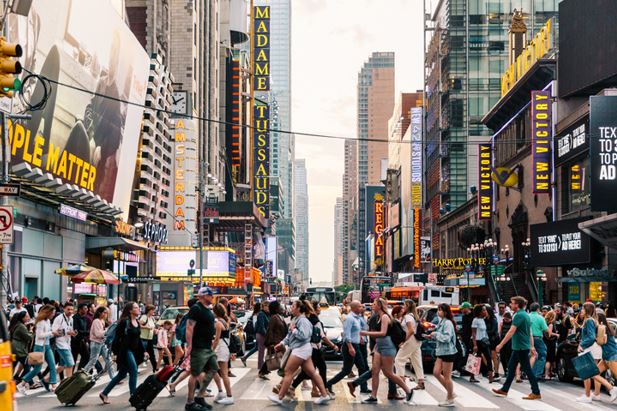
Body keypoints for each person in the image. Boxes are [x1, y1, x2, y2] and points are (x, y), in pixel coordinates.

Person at [267, 300, 331, 405]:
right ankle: (324, 395)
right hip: (302, 349)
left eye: (293, 306)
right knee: (312, 372)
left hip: (300, 349)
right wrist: (282, 343)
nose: (291, 308)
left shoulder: (303, 321)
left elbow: (304, 336)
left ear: (299, 309)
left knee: (288, 372)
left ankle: (280, 397)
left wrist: (294, 330)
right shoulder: (296, 319)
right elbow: (289, 336)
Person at [358, 298, 413, 405]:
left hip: (387, 347)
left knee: (388, 372)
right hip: (379, 346)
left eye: (374, 304)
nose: (372, 306)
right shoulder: (378, 317)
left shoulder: (384, 317)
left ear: (379, 305)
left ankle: (408, 391)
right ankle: (373, 396)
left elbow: (383, 333)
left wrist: (366, 333)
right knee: (375, 371)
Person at [492, 296, 541, 400]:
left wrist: (500, 345)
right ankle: (504, 390)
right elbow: (530, 332)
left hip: (520, 347)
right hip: (520, 346)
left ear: (517, 305)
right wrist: (531, 346)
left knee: (527, 369)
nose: (510, 305)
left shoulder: (519, 316)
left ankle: (536, 392)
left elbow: (511, 331)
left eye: (512, 303)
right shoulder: (525, 315)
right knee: (511, 367)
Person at [99, 301, 145, 404]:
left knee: (122, 374)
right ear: (130, 310)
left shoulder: (136, 322)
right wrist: (115, 353)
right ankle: (133, 396)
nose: (139, 309)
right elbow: (116, 339)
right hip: (125, 351)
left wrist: (144, 352)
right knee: (133, 370)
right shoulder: (124, 322)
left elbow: (138, 338)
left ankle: (104, 393)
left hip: (134, 351)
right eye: (136, 307)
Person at [291, 300, 339, 398]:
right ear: (313, 308)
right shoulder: (315, 320)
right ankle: (324, 391)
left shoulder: (304, 319)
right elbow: (323, 336)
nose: (319, 309)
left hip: (307, 347)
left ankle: (293, 387)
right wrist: (333, 346)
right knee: (317, 369)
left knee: (309, 371)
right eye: (318, 307)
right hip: (315, 348)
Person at [185, 287, 218, 411]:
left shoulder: (207, 309)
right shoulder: (196, 308)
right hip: (198, 347)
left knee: (214, 368)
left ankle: (199, 396)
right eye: (211, 295)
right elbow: (189, 328)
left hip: (206, 347)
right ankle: (190, 403)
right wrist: (189, 346)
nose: (212, 297)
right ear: (204, 296)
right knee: (195, 374)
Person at [575, 303, 617, 403]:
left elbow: (595, 339)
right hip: (606, 357)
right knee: (594, 373)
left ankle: (612, 389)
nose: (595, 319)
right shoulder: (602, 328)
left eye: (596, 317)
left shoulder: (602, 329)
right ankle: (597, 394)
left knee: (592, 373)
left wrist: (582, 345)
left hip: (611, 357)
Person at [327, 300, 369, 396]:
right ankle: (329, 383)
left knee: (362, 367)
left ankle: (363, 387)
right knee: (346, 370)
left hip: (356, 345)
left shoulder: (357, 318)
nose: (361, 307)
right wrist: (350, 347)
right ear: (354, 308)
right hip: (350, 346)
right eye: (359, 306)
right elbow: (346, 334)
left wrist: (360, 339)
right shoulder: (349, 318)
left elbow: (356, 332)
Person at [17, 305, 60, 393]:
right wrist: (51, 333)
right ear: (47, 313)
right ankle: (22, 383)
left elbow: (47, 334)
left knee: (52, 366)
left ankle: (53, 385)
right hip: (39, 347)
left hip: (47, 346)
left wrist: (54, 334)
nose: (53, 315)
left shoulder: (48, 321)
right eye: (52, 313)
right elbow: (40, 335)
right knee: (37, 369)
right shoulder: (40, 322)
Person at [427, 303, 458, 407]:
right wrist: (433, 336)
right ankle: (451, 392)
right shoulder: (442, 322)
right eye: (438, 310)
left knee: (447, 377)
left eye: (440, 310)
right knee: (436, 372)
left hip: (448, 352)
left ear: (445, 312)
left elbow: (447, 338)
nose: (438, 312)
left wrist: (436, 334)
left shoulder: (448, 323)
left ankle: (450, 399)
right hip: (441, 351)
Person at [395, 299, 425, 390]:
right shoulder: (414, 316)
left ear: (407, 306)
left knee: (399, 360)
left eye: (404, 305)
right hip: (416, 341)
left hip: (410, 340)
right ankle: (421, 381)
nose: (403, 307)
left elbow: (411, 331)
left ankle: (400, 380)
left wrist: (403, 341)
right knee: (416, 361)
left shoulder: (408, 317)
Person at [211, 303, 235, 405]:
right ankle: (221, 392)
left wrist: (211, 350)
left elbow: (216, 339)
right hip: (223, 349)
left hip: (220, 349)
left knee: (224, 374)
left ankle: (229, 396)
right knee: (213, 370)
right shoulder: (225, 321)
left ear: (215, 312)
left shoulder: (218, 323)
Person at [258, 300, 287, 379]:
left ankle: (262, 372)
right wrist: (270, 343)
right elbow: (270, 330)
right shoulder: (274, 318)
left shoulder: (279, 316)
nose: (281, 307)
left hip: (280, 341)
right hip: (275, 342)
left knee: (272, 357)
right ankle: (286, 375)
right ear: (276, 308)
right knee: (283, 358)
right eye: (279, 305)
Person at [84, 306, 115, 379]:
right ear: (99, 313)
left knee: (108, 360)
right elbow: (98, 334)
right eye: (104, 312)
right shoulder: (96, 321)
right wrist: (108, 330)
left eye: (107, 313)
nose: (106, 314)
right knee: (93, 361)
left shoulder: (102, 321)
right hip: (96, 343)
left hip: (101, 343)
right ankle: (83, 375)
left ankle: (113, 378)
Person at [52, 302, 77, 381]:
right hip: (60, 344)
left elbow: (69, 330)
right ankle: (69, 384)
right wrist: (67, 332)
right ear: (64, 309)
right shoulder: (59, 318)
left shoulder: (71, 319)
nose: (70, 311)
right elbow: (54, 331)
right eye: (68, 309)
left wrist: (73, 333)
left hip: (67, 343)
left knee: (63, 366)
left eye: (72, 309)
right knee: (70, 364)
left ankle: (45, 380)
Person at [470, 304, 494, 383]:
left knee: (488, 358)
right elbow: (473, 333)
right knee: (475, 359)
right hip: (477, 341)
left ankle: (491, 376)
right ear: (479, 312)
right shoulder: (475, 320)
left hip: (484, 341)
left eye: (485, 310)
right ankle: (472, 376)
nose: (485, 311)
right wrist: (475, 345)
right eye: (483, 310)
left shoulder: (483, 319)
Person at [10, 311, 32, 382]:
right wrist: (31, 331)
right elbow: (29, 338)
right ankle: (19, 380)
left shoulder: (18, 324)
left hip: (15, 348)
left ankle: (12, 380)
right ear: (22, 318)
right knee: (27, 366)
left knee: (13, 365)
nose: (28, 317)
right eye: (26, 316)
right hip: (19, 349)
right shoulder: (21, 326)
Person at [528, 303, 548, 379]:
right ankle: (537, 374)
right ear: (538, 309)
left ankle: (528, 373)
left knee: (531, 356)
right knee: (542, 355)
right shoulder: (540, 318)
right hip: (537, 338)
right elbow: (545, 329)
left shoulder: (527, 316)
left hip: (527, 339)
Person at [239, 302, 263, 366]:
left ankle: (244, 357)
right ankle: (261, 363)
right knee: (258, 348)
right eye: (261, 306)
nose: (262, 307)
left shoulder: (258, 314)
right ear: (259, 307)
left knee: (257, 347)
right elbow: (255, 325)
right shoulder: (256, 315)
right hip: (257, 333)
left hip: (257, 333)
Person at [139, 304, 158, 372]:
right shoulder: (144, 317)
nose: (153, 311)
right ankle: (133, 368)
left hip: (150, 339)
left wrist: (155, 330)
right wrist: (146, 327)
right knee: (141, 354)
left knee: (152, 354)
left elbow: (153, 327)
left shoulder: (152, 318)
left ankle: (155, 368)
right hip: (143, 339)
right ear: (149, 310)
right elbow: (138, 325)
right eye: (152, 310)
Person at [485, 304, 501, 380]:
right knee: (486, 356)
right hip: (487, 340)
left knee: (494, 356)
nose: (484, 312)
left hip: (493, 340)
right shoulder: (484, 319)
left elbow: (493, 330)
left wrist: (484, 332)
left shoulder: (493, 320)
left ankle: (496, 372)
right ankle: (490, 370)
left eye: (485, 310)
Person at [543, 310, 559, 380]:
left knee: (547, 359)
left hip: (545, 342)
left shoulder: (545, 323)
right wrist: (556, 334)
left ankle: (548, 373)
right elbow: (549, 334)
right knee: (549, 360)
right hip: (550, 343)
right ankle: (546, 374)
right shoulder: (551, 324)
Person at [498, 312, 513, 376]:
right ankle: (505, 370)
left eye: (507, 319)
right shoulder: (502, 323)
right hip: (503, 341)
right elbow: (499, 332)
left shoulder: (512, 324)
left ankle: (510, 370)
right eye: (504, 319)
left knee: (509, 355)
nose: (505, 320)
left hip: (510, 341)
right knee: (502, 356)